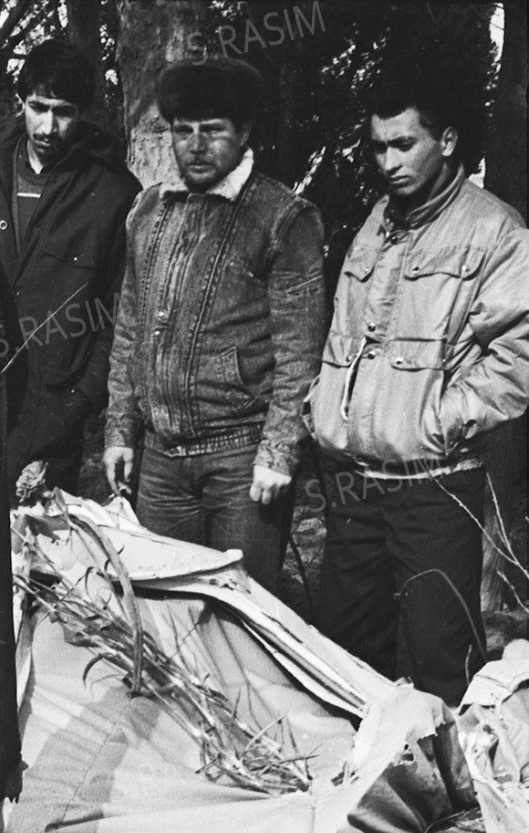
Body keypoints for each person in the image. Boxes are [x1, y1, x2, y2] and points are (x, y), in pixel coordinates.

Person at [306, 69, 529, 704]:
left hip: (435, 485)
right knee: (345, 660)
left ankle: (444, 769)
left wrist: (434, 423)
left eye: (404, 144)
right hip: (355, 481)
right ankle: (365, 766)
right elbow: (346, 333)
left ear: (448, 140)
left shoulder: (496, 230)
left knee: (438, 661)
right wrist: (324, 409)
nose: (389, 162)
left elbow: (517, 359)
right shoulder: (377, 220)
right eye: (378, 147)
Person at [104, 58, 326, 593]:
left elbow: (300, 352)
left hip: (240, 461)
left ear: (244, 131)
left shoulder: (282, 218)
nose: (197, 145)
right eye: (183, 130)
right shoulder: (148, 211)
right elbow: (129, 329)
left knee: (242, 610)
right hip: (160, 462)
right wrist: (120, 431)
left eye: (213, 130)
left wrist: (278, 453)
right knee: (165, 610)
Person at [0, 38, 140, 492]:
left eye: (64, 112)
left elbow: (120, 313)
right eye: (38, 107)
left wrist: (82, 397)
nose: (49, 126)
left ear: (84, 112)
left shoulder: (113, 193)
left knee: (43, 536)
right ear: (21, 102)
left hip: (54, 416)